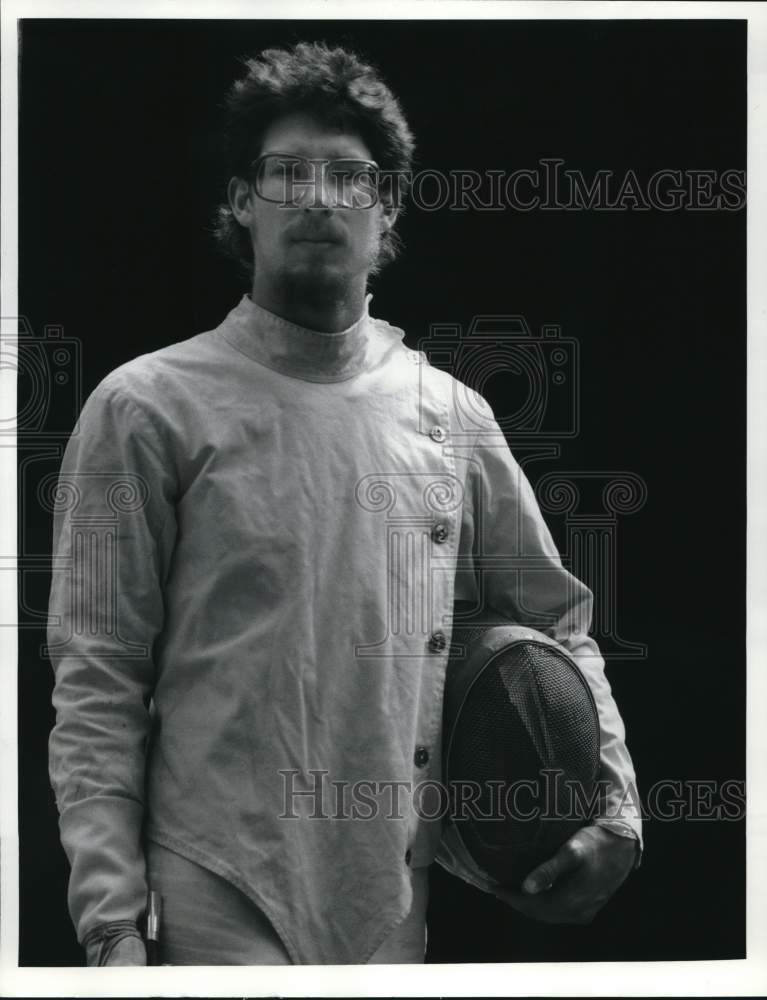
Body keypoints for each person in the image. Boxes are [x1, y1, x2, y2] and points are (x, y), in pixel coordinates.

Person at [47, 40, 642, 967]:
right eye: (286, 174)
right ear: (242, 202)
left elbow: (554, 622)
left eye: (349, 177)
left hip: (389, 907)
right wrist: (112, 924)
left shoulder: (452, 414)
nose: (319, 198)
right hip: (210, 891)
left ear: (388, 210)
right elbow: (98, 678)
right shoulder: (145, 407)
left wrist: (615, 805)